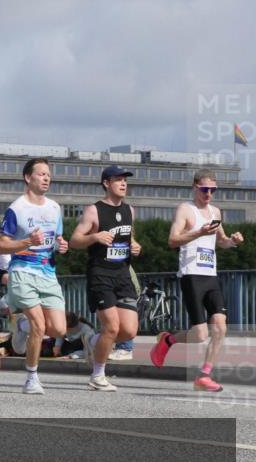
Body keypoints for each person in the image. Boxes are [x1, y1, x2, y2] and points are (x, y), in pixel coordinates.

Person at [152, 169, 245, 392]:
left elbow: (220, 241)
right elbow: (173, 241)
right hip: (191, 275)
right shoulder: (186, 209)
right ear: (195, 187)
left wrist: (232, 241)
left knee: (220, 328)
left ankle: (204, 375)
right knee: (200, 334)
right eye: (205, 189)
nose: (209, 194)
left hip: (210, 276)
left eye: (213, 190)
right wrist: (198, 233)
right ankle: (168, 340)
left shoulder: (215, 211)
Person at [0, 157, 70, 395]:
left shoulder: (55, 208)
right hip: (22, 271)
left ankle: (22, 326)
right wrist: (27, 241)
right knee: (40, 324)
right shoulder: (16, 208)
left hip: (47, 273)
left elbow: (56, 240)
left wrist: (61, 245)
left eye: (48, 174)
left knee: (58, 329)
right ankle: (32, 377)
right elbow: (1, 245)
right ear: (28, 178)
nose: (47, 178)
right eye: (41, 174)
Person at [69, 165, 142, 392]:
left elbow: (129, 239)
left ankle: (92, 341)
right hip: (100, 274)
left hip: (122, 274)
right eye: (118, 180)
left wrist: (135, 246)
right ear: (106, 183)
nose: (123, 184)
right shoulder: (94, 211)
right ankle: (97, 376)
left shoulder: (130, 210)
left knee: (128, 331)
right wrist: (94, 237)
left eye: (125, 180)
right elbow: (74, 241)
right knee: (111, 327)